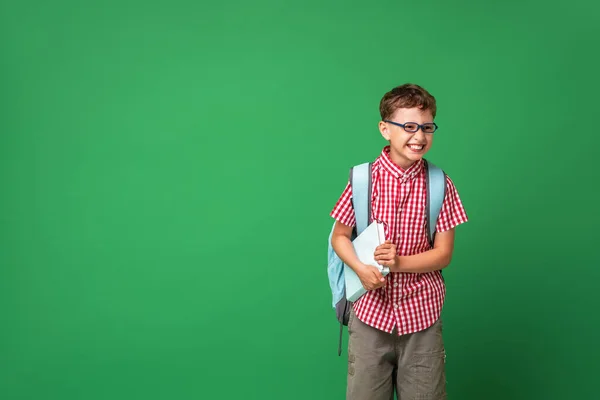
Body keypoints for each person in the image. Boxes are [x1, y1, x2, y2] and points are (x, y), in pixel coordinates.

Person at [330, 83, 469, 400]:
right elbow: (340, 236)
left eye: (427, 127)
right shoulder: (362, 179)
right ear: (384, 129)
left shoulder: (440, 184)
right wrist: (361, 269)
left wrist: (399, 263)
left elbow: (444, 254)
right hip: (369, 317)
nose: (419, 137)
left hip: (422, 317)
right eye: (408, 127)